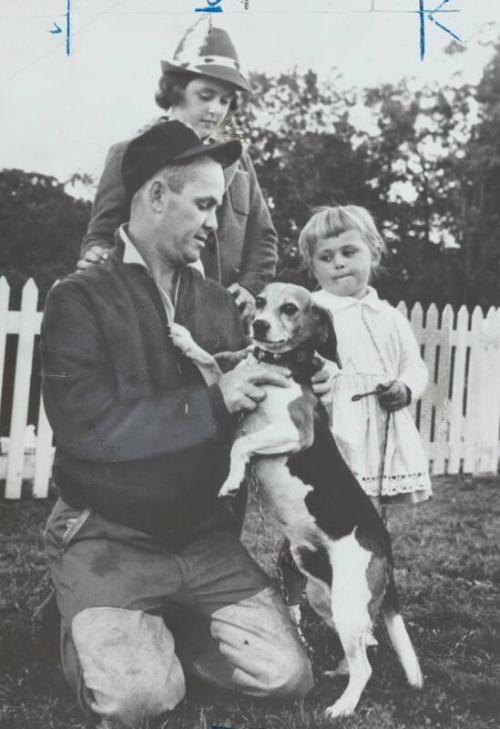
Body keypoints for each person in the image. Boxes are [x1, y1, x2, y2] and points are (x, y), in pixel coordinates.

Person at [40, 121, 314, 729]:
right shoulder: (78, 298)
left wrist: (305, 384)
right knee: (138, 703)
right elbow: (92, 432)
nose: (217, 223)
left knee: (287, 678)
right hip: (109, 533)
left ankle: (156, 626)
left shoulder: (219, 306)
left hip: (198, 539)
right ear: (156, 196)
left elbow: (258, 389)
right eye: (205, 204)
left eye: (219, 206)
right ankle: (82, 618)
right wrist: (216, 401)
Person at [277, 205, 432, 628]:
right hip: (332, 434)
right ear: (312, 266)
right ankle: (288, 603)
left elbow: (415, 367)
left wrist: (405, 388)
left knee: (365, 531)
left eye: (349, 251)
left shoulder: (390, 316)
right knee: (309, 526)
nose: (339, 263)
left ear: (374, 252)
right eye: (326, 257)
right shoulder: (312, 311)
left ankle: (365, 605)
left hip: (378, 434)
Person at [81, 16, 278, 317]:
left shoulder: (240, 163)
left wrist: (250, 287)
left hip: (222, 316)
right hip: (147, 310)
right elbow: (101, 236)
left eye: (225, 101)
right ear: (176, 90)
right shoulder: (127, 154)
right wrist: (96, 255)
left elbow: (264, 238)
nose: (215, 110)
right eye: (205, 95)